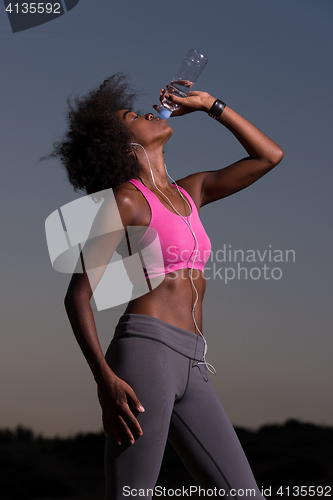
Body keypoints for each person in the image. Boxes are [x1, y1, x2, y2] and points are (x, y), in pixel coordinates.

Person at [49, 73, 283, 499]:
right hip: (145, 354)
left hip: (195, 362)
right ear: (121, 145)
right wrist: (103, 378)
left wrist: (211, 104)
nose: (146, 112)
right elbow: (77, 294)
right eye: (133, 116)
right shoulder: (126, 200)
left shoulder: (190, 192)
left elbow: (269, 156)